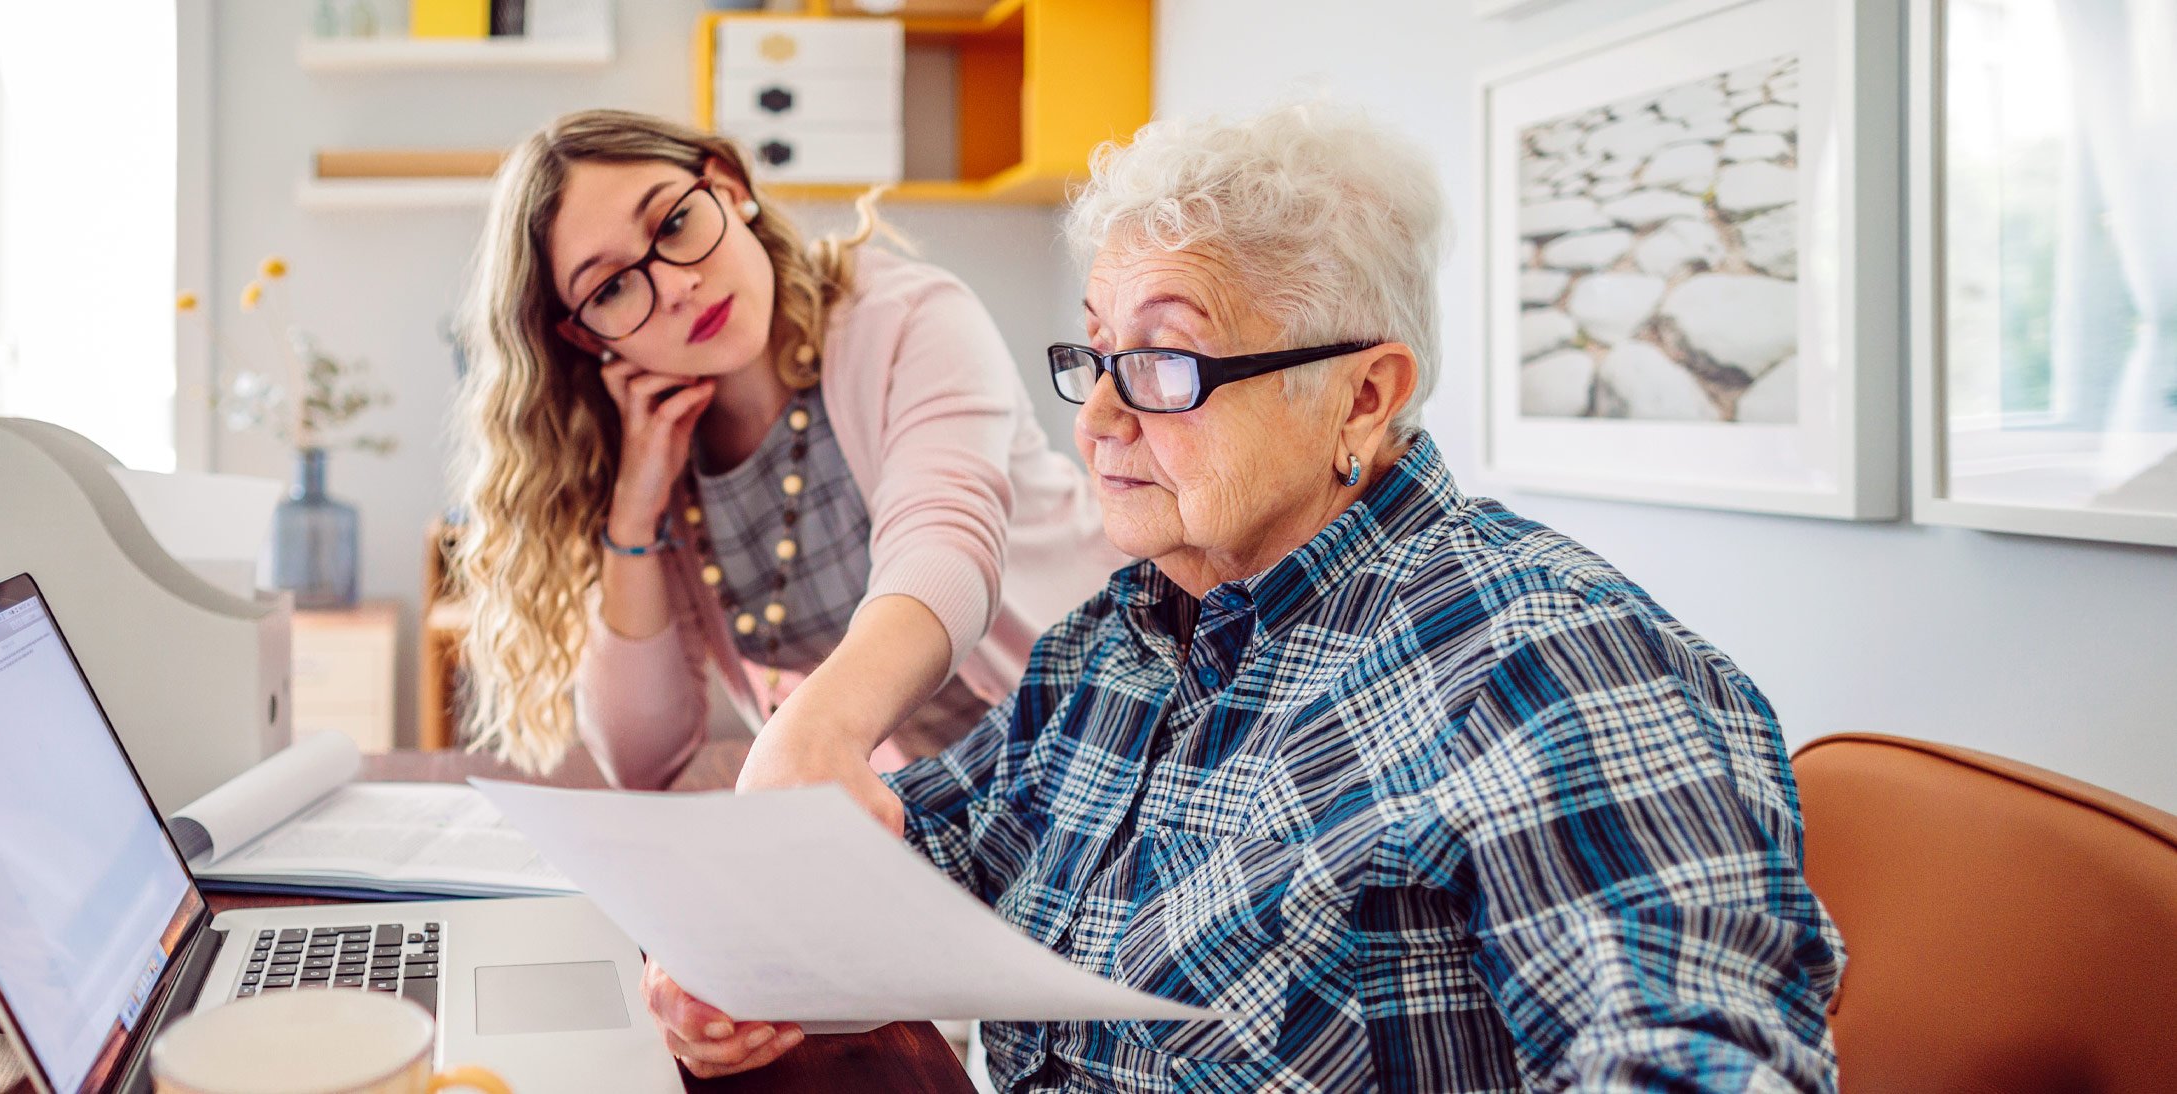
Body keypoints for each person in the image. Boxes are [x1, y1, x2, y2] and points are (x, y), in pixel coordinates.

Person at [643, 101, 1846, 1091]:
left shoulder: (1554, 661)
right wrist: (736, 948)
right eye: (1094, 352)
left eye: (1165, 362)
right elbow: (927, 843)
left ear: (1363, 399)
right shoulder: (1115, 643)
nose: (1099, 418)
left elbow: (1700, 1066)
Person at [451, 110, 1121, 818]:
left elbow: (946, 548)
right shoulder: (662, 456)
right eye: (611, 288)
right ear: (583, 337)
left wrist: (816, 729)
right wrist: (634, 509)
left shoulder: (909, 317)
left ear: (727, 184)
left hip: (1107, 731)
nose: (674, 286)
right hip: (943, 817)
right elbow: (641, 757)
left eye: (674, 224)